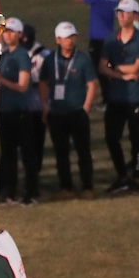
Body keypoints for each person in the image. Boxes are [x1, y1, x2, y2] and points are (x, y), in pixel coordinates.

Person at [37, 22, 98, 197]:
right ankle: (66, 187)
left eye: (72, 37)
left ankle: (87, 187)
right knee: (61, 152)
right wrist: (45, 105)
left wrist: (86, 107)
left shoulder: (82, 59)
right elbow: (43, 82)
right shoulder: (50, 60)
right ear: (58, 39)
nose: (70, 41)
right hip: (56, 112)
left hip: (77, 112)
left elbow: (92, 84)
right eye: (66, 38)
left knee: (83, 151)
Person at [98, 0, 139, 193]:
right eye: (119, 12)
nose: (121, 16)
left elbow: (136, 67)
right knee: (111, 137)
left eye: (126, 12)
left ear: (135, 15)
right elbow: (102, 67)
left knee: (137, 136)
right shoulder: (111, 38)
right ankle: (122, 174)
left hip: (136, 96)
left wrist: (114, 68)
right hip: (116, 96)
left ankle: (136, 174)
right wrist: (123, 75)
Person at [0, 19, 43, 206]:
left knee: (27, 153)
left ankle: (31, 191)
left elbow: (22, 86)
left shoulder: (22, 55)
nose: (8, 35)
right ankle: (9, 190)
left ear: (20, 34)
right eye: (6, 31)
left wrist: (1, 80)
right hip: (4, 110)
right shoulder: (4, 55)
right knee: (8, 154)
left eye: (12, 32)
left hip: (20, 110)